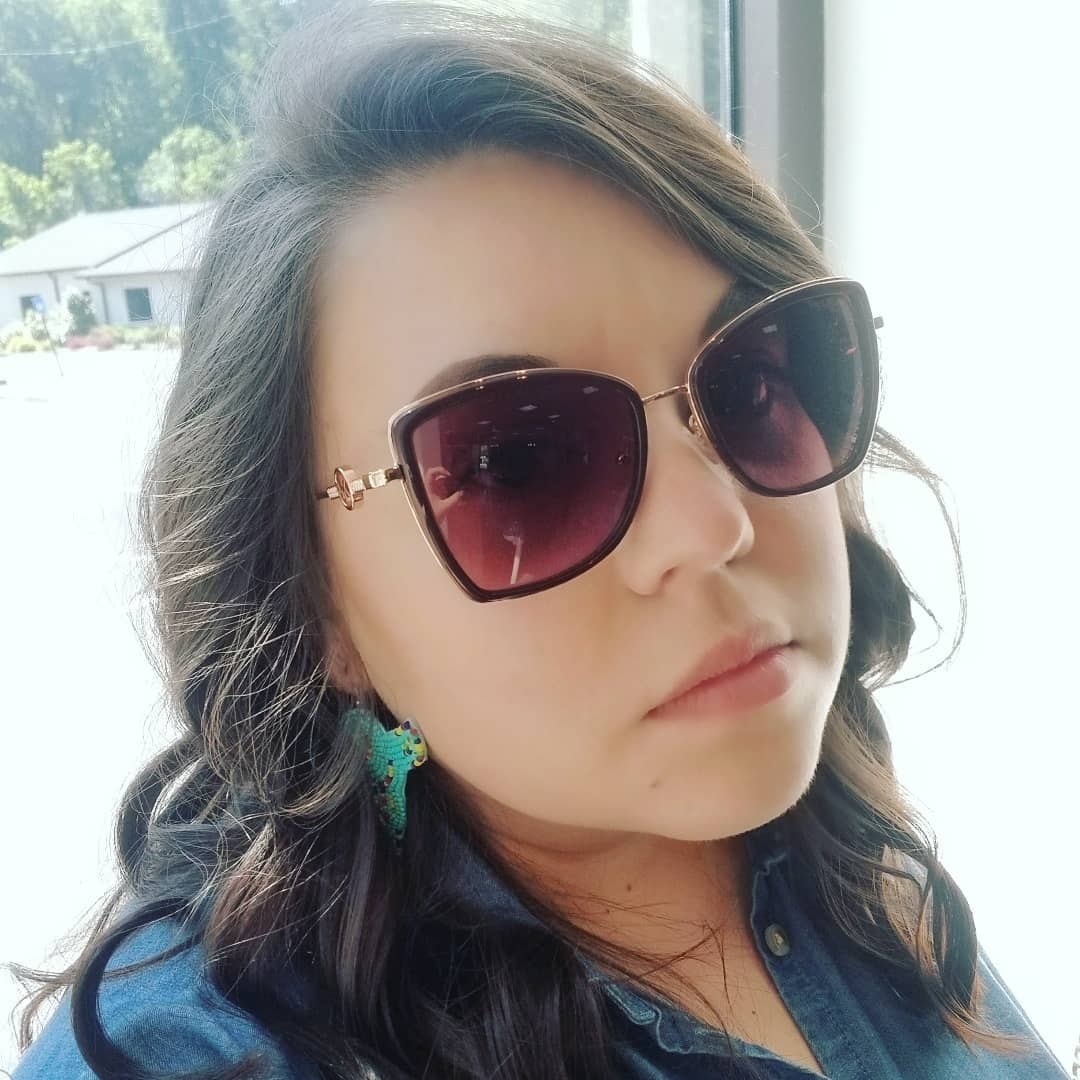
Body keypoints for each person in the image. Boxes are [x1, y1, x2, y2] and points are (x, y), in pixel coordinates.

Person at [8, 2, 1068, 1078]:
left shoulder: (857, 858)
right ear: (315, 601)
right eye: (515, 463)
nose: (716, 526)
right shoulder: (195, 1054)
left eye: (752, 382)